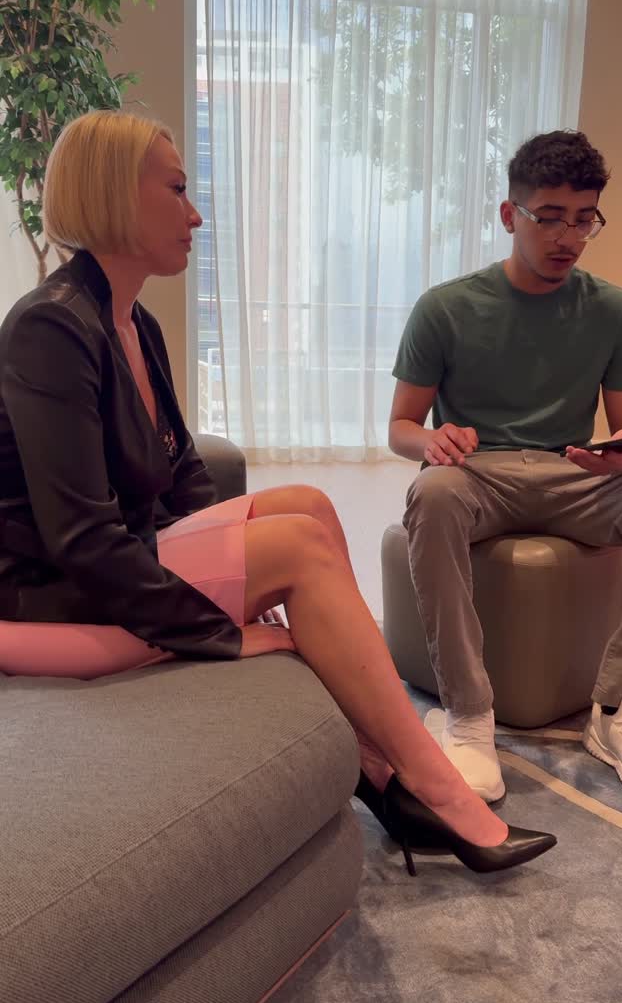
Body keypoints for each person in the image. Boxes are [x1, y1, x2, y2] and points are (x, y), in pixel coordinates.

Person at [0, 110, 555, 876]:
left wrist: (242, 580)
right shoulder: (50, 329)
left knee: (307, 507)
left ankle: (379, 767)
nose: (197, 215)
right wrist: (222, 628)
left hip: (106, 563)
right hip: (45, 593)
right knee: (295, 546)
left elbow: (183, 480)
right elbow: (80, 541)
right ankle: (433, 789)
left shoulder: (133, 322)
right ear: (116, 193)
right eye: (178, 190)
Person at [390, 129, 622, 804]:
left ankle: (620, 708)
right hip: (480, 474)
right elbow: (400, 428)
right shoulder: (446, 308)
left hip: (572, 474)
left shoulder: (618, 312)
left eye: (584, 219)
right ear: (510, 214)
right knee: (433, 494)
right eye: (550, 217)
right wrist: (431, 443)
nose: (569, 237)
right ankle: (469, 715)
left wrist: (621, 454)